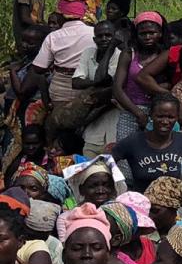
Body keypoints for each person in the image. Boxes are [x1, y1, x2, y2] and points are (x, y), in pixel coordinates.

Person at [110, 94, 182, 194]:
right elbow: (106, 162)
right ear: (151, 115)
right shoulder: (134, 141)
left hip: (175, 207)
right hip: (142, 206)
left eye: (171, 117)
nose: (165, 121)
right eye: (160, 116)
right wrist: (118, 189)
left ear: (177, 117)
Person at [111, 13, 165, 143]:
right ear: (136, 34)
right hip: (130, 110)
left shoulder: (164, 55)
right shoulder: (129, 53)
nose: (147, 37)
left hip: (158, 113)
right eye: (143, 33)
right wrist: (138, 113)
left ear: (160, 33)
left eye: (152, 33)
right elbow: (117, 88)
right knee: (125, 157)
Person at [72, 20, 122, 159]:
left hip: (114, 119)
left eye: (108, 35)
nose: (104, 39)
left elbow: (110, 89)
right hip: (93, 126)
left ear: (115, 37)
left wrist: (111, 49)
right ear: (94, 39)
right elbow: (76, 82)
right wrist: (96, 83)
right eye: (100, 36)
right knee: (90, 167)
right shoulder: (88, 53)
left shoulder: (121, 56)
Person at [30, 8, 95, 113]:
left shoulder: (53, 36)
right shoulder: (95, 33)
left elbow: (38, 68)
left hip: (60, 91)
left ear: (62, 17)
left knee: (59, 120)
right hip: (88, 86)